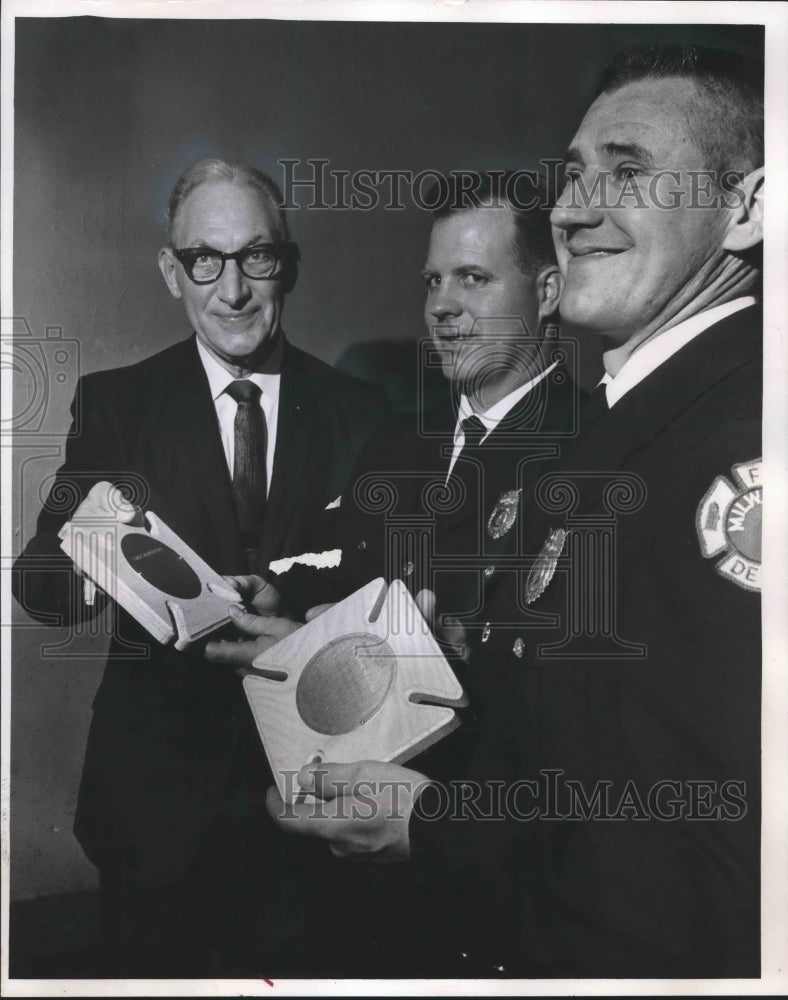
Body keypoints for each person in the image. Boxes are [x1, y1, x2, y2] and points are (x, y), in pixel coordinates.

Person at [259, 45, 764, 979]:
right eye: (572, 176)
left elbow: (721, 866)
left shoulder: (720, 445)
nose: (573, 207)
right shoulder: (635, 419)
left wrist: (432, 825)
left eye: (630, 171)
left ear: (748, 208)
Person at [12, 158, 386, 976]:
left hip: (315, 803)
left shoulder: (364, 416)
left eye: (256, 258)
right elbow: (40, 578)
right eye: (204, 261)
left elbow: (384, 594)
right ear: (171, 272)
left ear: (287, 263)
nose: (233, 290)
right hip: (155, 813)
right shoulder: (118, 405)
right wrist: (88, 563)